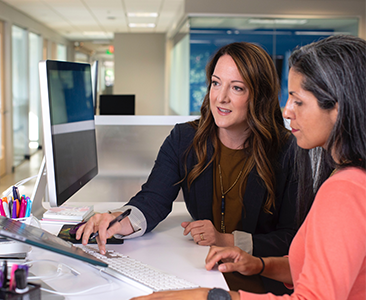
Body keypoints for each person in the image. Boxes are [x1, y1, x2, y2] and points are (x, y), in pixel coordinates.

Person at [131, 34, 366, 300]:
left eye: (298, 101)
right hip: (232, 269)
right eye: (216, 84)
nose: (287, 111)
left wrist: (207, 297)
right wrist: (258, 263)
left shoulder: (343, 189)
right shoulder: (346, 177)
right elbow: (311, 268)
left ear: (338, 109)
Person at [78, 42, 298, 293]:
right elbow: (153, 199)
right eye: (216, 83)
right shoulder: (185, 139)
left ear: (259, 96)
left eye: (236, 88)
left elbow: (291, 237)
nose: (221, 97)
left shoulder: (288, 151)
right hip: (203, 273)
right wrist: (118, 221)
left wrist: (227, 240)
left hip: (263, 283)